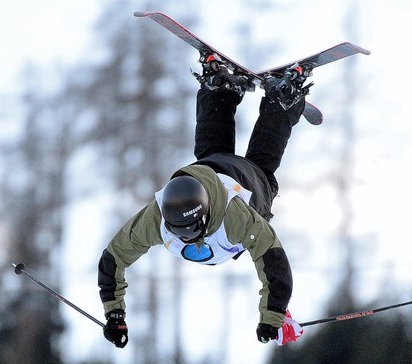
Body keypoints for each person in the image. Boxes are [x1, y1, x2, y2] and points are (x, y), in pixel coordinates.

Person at [98, 54, 312, 348]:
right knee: (211, 153)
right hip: (212, 169)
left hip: (247, 185)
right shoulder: (157, 218)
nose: (186, 237)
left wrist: (271, 317)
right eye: (180, 231)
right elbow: (113, 259)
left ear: (205, 213)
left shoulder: (235, 218)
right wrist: (115, 315)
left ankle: (281, 100)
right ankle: (220, 88)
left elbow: (272, 261)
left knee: (262, 170)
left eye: (191, 230)